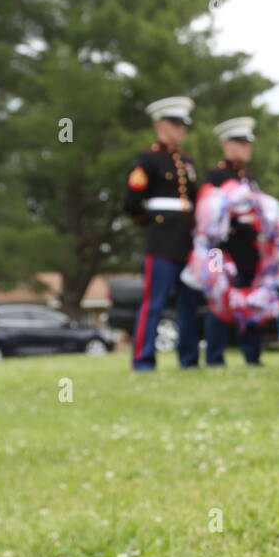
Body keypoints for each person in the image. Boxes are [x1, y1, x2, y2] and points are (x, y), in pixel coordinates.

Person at [122, 96, 201, 371]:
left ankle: (189, 359)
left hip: (187, 241)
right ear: (159, 125)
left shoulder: (187, 162)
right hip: (161, 241)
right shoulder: (148, 159)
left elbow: (196, 201)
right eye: (175, 123)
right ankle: (143, 360)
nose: (181, 129)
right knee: (153, 303)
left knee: (189, 304)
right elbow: (131, 202)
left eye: (183, 125)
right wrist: (151, 223)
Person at [203, 117, 263, 367]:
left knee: (250, 298)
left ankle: (252, 356)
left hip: (248, 248)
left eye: (248, 143)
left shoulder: (249, 177)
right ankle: (215, 356)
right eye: (240, 143)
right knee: (219, 300)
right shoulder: (215, 175)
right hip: (220, 250)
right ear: (227, 145)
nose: (246, 148)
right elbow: (208, 212)